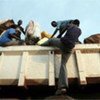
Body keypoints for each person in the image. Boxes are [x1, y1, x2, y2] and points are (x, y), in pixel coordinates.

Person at [39, 19, 82, 95]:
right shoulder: (80, 31)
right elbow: (75, 39)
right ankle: (62, 87)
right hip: (70, 48)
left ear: (73, 23)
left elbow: (61, 32)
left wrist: (57, 38)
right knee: (63, 65)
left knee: (51, 40)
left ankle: (40, 45)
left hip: (63, 43)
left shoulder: (70, 25)